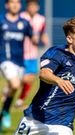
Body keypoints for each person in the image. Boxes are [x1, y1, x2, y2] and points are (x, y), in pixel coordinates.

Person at [14, 15, 75, 135]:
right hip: (35, 119)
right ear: (69, 39)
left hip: (63, 124)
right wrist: (58, 80)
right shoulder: (57, 54)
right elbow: (44, 74)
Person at [0, 0, 36, 131]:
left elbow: (33, 37)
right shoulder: (1, 20)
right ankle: (6, 112)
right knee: (15, 85)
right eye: (12, 2)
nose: (15, 5)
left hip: (20, 62)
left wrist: (36, 38)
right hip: (5, 60)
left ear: (20, 6)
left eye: (17, 2)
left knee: (13, 89)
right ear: (7, 5)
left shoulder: (24, 23)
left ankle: (4, 112)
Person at [14, 0, 49, 108]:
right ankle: (9, 90)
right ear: (27, 7)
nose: (32, 8)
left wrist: (46, 42)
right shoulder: (21, 17)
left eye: (34, 6)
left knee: (30, 78)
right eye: (30, 6)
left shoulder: (41, 19)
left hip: (33, 54)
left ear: (37, 7)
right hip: (20, 54)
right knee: (21, 78)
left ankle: (20, 101)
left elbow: (42, 33)